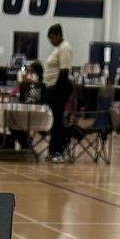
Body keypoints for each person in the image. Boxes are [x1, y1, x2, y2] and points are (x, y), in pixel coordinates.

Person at [42, 22, 72, 163]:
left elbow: (64, 72)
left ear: (59, 35)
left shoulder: (65, 48)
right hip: (51, 88)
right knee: (53, 121)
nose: (51, 41)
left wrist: (55, 92)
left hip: (59, 89)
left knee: (57, 121)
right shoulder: (58, 48)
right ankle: (53, 150)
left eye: (53, 38)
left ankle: (57, 151)